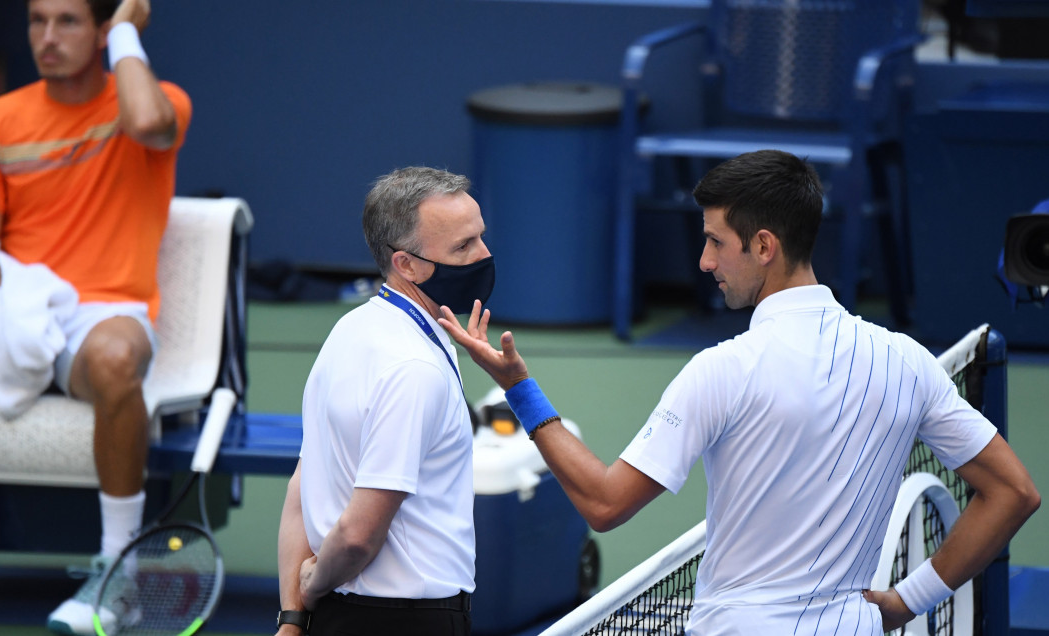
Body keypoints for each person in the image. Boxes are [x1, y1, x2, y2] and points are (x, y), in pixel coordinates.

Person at [438, 149, 1040, 634]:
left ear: (764, 246)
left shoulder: (721, 370)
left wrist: (518, 387)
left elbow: (604, 503)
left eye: (715, 242)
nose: (703, 262)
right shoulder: (909, 362)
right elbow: (1014, 492)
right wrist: (908, 601)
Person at [0, 0, 191, 633]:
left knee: (114, 356)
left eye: (69, 21)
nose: (47, 37)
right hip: (16, 306)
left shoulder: (162, 102)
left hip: (103, 315)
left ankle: (116, 572)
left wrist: (127, 32)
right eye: (36, 21)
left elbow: (147, 120)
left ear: (105, 30)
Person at [275, 167, 493, 636]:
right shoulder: (415, 369)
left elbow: (303, 482)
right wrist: (310, 588)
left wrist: (293, 617)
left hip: (337, 615)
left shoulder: (348, 332)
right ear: (406, 264)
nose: (484, 256)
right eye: (463, 247)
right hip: (408, 623)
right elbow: (356, 537)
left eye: (480, 238)